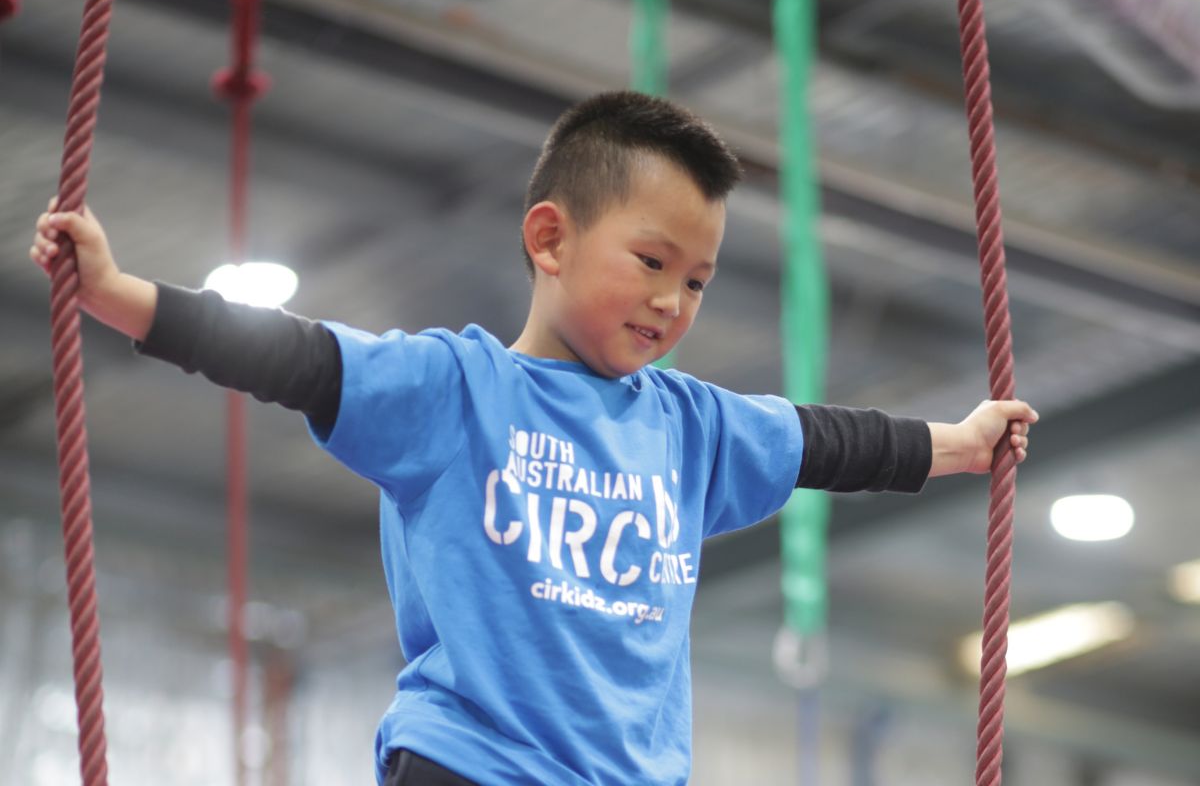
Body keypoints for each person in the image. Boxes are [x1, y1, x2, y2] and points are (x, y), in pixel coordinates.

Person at [30, 91, 1036, 786]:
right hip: (472, 761)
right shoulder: (454, 389)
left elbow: (830, 442)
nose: (671, 299)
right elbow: (293, 356)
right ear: (550, 238)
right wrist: (121, 296)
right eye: (650, 259)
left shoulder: (692, 427)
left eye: (697, 278)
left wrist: (958, 443)